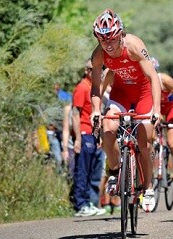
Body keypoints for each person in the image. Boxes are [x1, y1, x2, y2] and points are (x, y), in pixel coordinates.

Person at [90, 9, 161, 213]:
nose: (109, 45)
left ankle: (147, 188)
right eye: (103, 40)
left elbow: (154, 77)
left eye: (112, 39)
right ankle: (114, 171)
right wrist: (96, 110)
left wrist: (156, 109)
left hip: (143, 93)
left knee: (144, 142)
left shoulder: (134, 46)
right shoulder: (99, 54)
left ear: (120, 33)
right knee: (108, 127)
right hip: (121, 93)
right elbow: (96, 87)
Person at [72, 60, 106, 217]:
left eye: (100, 69)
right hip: (85, 133)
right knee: (83, 170)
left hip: (93, 134)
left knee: (93, 170)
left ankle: (89, 202)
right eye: (94, 69)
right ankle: (80, 205)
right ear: (87, 71)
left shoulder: (94, 89)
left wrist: (98, 136)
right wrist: (77, 138)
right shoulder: (82, 87)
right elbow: (75, 114)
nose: (98, 72)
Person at [151, 57, 173, 184]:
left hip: (172, 107)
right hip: (157, 110)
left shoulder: (165, 80)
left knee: (171, 142)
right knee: (150, 138)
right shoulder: (143, 83)